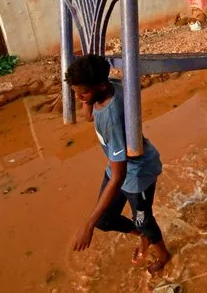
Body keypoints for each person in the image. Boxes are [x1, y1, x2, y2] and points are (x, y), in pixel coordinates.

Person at [66, 55, 170, 274]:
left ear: (101, 85)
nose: (78, 98)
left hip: (137, 173)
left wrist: (87, 225)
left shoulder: (113, 119)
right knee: (104, 220)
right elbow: (88, 117)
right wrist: (86, 98)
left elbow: (118, 177)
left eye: (82, 93)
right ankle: (143, 237)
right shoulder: (109, 86)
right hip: (118, 166)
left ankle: (163, 255)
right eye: (76, 92)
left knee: (143, 220)